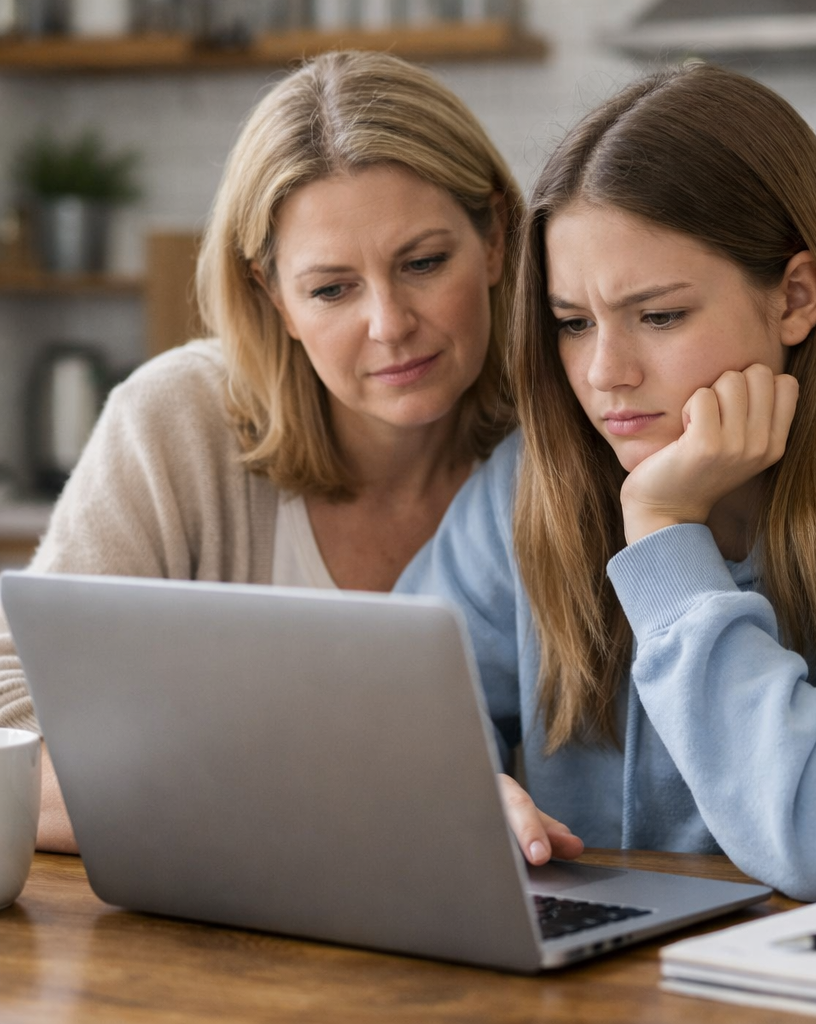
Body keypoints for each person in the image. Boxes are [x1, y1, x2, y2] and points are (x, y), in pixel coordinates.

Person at [396, 61, 816, 901]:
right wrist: (453, 793)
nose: (605, 373)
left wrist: (663, 534)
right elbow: (373, 706)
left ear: (795, 297)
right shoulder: (536, 479)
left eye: (659, 316)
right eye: (573, 324)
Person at [0, 49, 520, 853]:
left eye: (423, 263)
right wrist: (310, 805)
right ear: (271, 295)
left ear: (494, 240)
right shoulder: (178, 419)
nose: (388, 323)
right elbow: (14, 709)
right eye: (331, 288)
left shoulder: (568, 434)